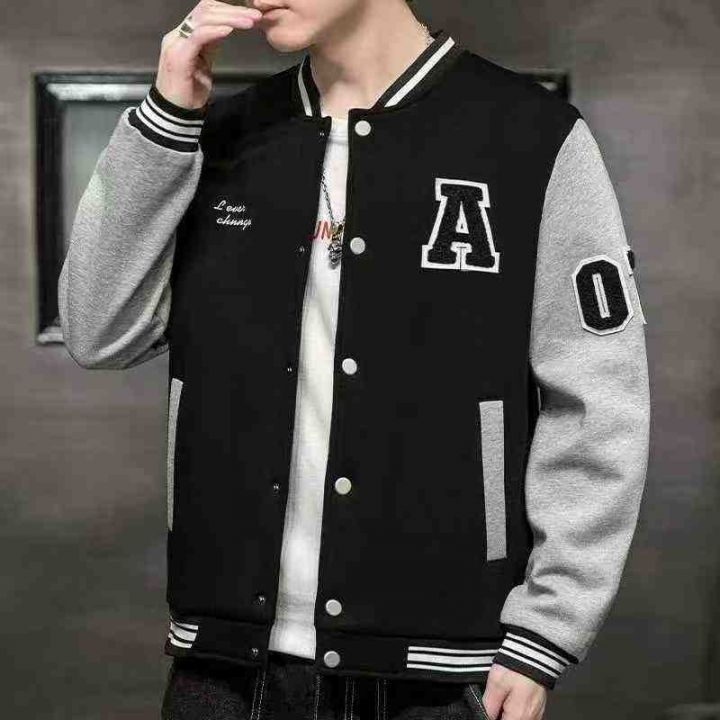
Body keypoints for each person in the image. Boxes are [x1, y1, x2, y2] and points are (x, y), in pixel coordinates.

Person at [57, 0, 651, 718]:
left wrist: (547, 629)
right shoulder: (216, 139)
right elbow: (99, 329)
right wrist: (165, 120)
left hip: (436, 676)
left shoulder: (532, 137)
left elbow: (598, 403)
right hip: (223, 668)